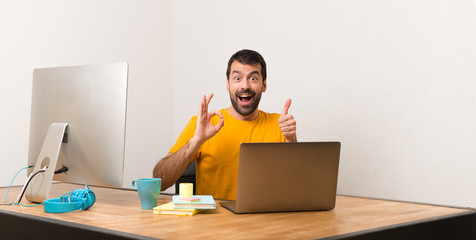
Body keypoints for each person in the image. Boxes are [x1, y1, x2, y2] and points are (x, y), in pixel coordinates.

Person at [153, 49, 297, 200]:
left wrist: (291, 141)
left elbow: (297, 187)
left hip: (265, 221)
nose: (245, 85)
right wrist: (196, 141)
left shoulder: (280, 124)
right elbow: (159, 182)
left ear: (264, 85)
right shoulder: (203, 124)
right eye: (237, 78)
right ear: (228, 84)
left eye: (253, 78)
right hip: (214, 221)